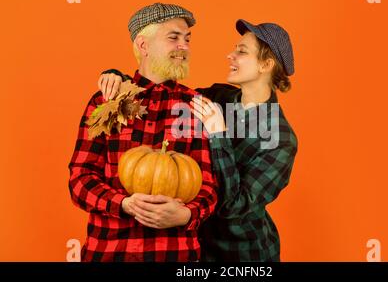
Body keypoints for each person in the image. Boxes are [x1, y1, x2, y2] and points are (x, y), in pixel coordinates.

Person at [99, 19, 298, 261]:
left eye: (242, 51)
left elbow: (232, 207)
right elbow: (166, 93)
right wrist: (118, 78)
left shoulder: (281, 139)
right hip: (194, 248)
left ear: (266, 64)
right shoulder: (218, 97)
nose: (230, 55)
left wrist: (218, 135)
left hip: (242, 254)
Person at [68, 3, 218, 262]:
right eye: (173, 37)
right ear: (143, 45)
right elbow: (80, 178)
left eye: (187, 39)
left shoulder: (198, 106)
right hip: (108, 253)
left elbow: (208, 186)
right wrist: (123, 204)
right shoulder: (107, 102)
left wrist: (187, 215)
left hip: (176, 255)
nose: (184, 46)